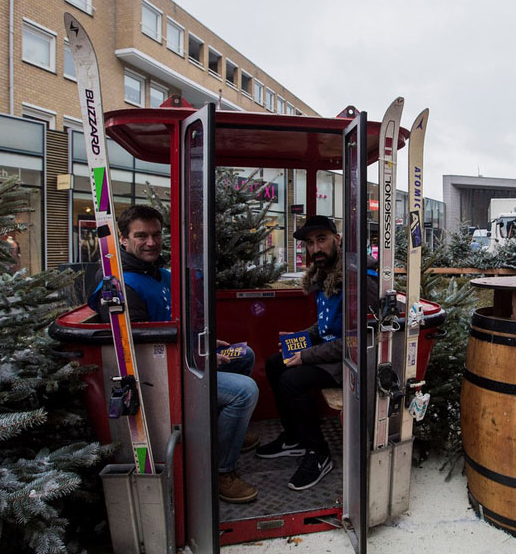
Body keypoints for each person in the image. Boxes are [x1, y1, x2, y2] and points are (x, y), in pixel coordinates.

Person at [88, 205, 259, 503]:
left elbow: (178, 324)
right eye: (141, 236)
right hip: (161, 379)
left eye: (156, 235)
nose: (151, 242)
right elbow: (141, 351)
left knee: (244, 354)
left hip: (183, 360)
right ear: (123, 239)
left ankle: (227, 432)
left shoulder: (161, 275)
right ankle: (220, 470)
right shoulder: (121, 287)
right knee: (244, 391)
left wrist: (202, 344)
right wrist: (198, 356)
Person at [257, 215, 378, 491]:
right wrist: (299, 339)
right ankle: (294, 438)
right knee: (276, 364)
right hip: (331, 354)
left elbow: (355, 340)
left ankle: (318, 453)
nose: (315, 248)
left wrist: (306, 355)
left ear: (337, 240)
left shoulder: (358, 280)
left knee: (292, 380)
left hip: (350, 362)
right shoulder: (325, 274)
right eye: (310, 243)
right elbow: (327, 325)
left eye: (321, 239)